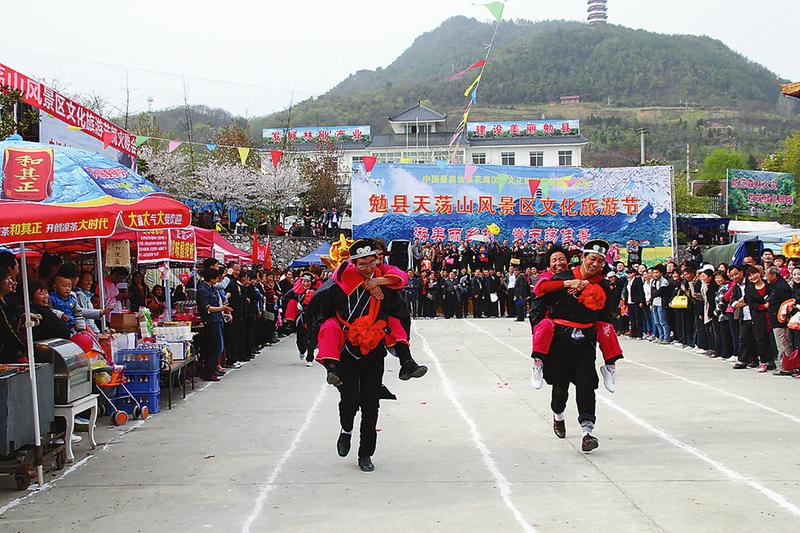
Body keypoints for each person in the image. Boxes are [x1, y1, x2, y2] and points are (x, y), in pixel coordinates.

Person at [313, 239, 413, 472]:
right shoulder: (339, 285)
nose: (367, 268)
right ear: (353, 263)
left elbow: (399, 309)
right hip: (347, 351)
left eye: (372, 262)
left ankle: (365, 453)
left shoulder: (385, 284)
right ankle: (345, 430)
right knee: (350, 401)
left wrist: (377, 281)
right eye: (362, 264)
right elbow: (321, 311)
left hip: (374, 350)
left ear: (378, 260)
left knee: (371, 405)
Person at [531, 240, 623, 453]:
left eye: (600, 261)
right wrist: (539, 329)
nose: (595, 264)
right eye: (592, 259)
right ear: (583, 258)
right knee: (560, 387)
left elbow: (606, 313)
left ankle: (587, 432)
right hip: (561, 341)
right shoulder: (563, 278)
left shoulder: (603, 284)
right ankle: (558, 416)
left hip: (585, 340)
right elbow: (541, 296)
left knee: (586, 385)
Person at [197, 265, 233, 381]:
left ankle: (210, 369)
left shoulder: (210, 287)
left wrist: (223, 312)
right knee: (216, 347)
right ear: (211, 278)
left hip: (217, 319)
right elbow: (207, 308)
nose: (218, 279)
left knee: (216, 346)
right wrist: (221, 309)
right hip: (211, 321)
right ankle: (209, 372)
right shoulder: (203, 289)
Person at [733, 266, 772, 370]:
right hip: (756, 316)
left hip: (770, 316)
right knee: (755, 339)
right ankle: (760, 361)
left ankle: (769, 360)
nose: (752, 277)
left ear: (759, 273)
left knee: (768, 339)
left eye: (754, 274)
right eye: (749, 276)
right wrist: (763, 306)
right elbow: (750, 303)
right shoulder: (749, 288)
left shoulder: (768, 285)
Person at [284, 272, 318, 366]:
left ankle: (310, 358)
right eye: (304, 281)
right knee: (300, 338)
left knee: (311, 338)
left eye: (308, 281)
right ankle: (302, 350)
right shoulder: (296, 291)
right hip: (301, 316)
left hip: (312, 317)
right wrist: (294, 304)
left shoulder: (316, 291)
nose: (306, 284)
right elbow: (286, 298)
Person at [766, 266, 792, 372]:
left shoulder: (781, 286)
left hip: (780, 320)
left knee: (784, 343)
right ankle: (785, 365)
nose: (766, 277)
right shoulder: (776, 285)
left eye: (767, 275)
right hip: (775, 320)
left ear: (773, 275)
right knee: (781, 344)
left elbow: (786, 303)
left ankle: (788, 366)